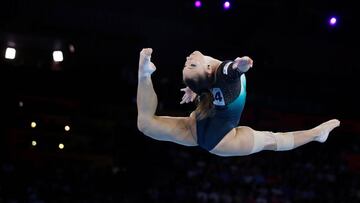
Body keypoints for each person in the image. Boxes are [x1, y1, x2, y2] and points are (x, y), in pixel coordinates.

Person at [136, 48, 340, 157]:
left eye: (187, 65)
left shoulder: (215, 76)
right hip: (222, 140)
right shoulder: (222, 74)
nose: (189, 58)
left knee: (144, 124)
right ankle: (317, 134)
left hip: (196, 127)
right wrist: (240, 65)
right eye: (191, 64)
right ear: (207, 69)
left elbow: (218, 78)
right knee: (273, 141)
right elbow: (231, 72)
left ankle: (144, 75)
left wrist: (196, 87)